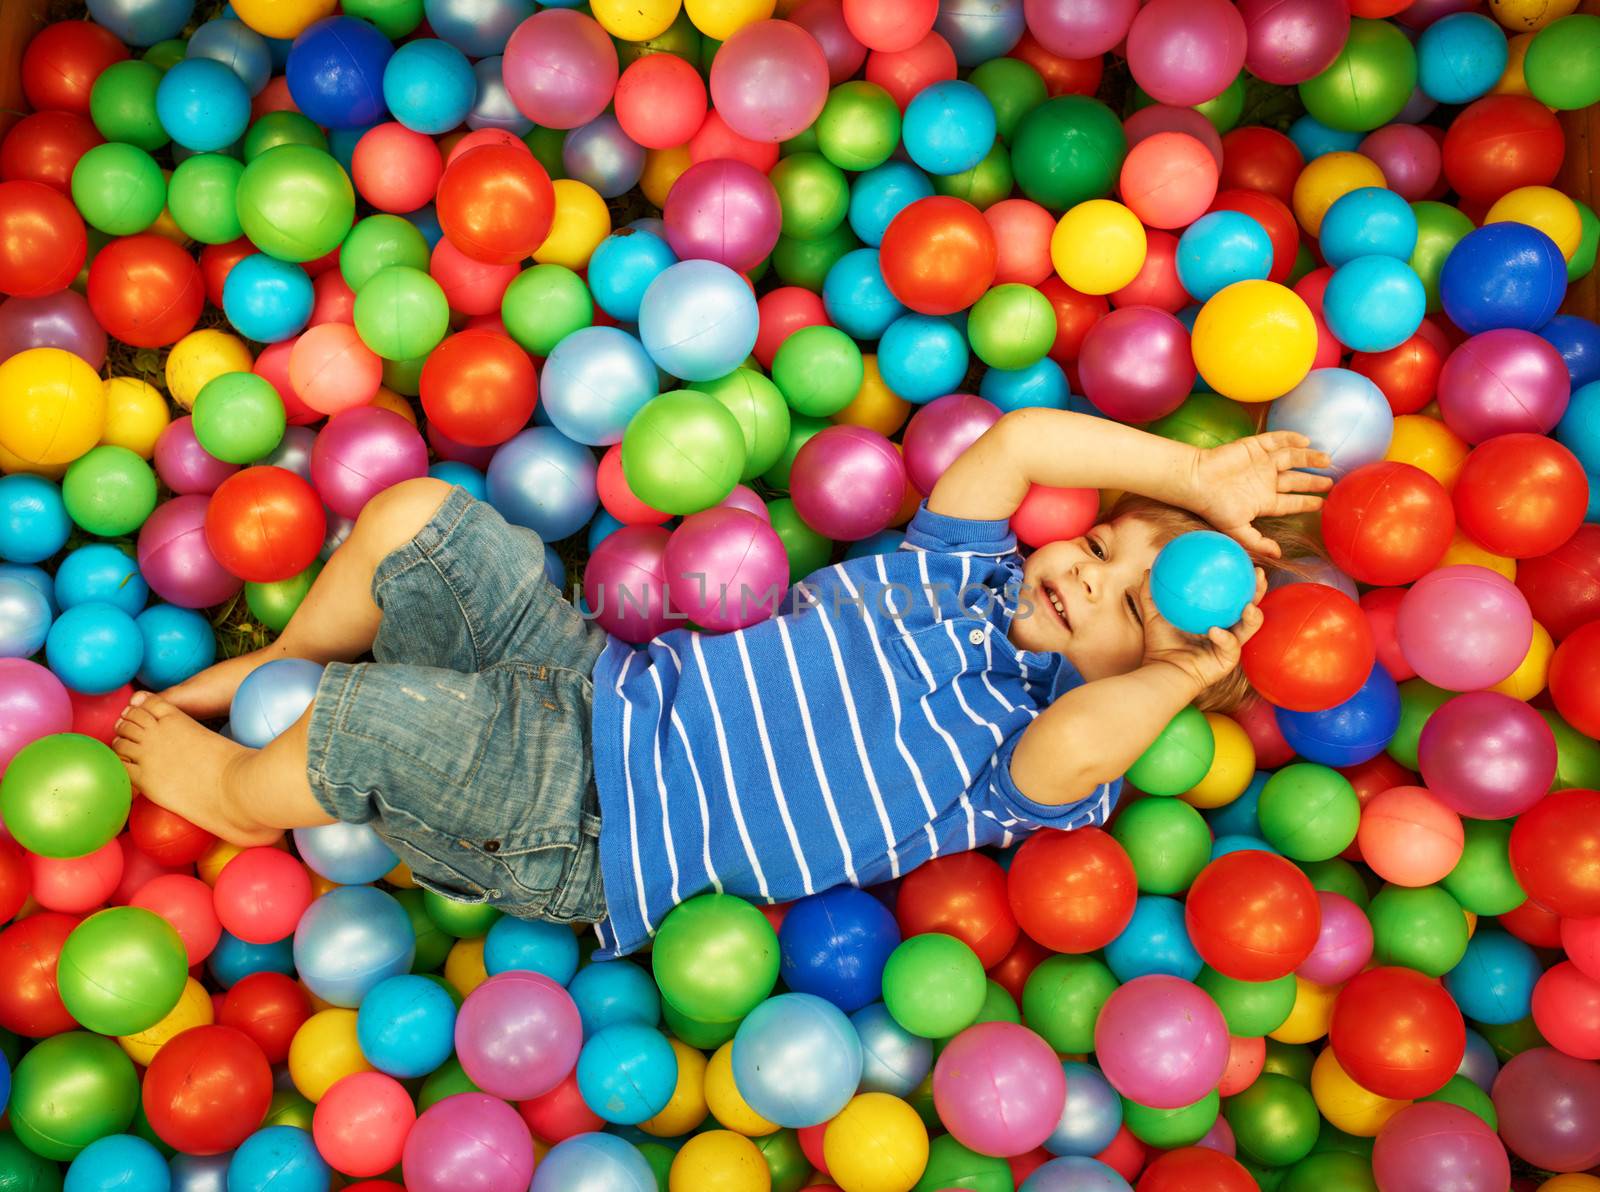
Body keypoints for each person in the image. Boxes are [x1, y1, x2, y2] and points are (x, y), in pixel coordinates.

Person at [112, 410, 1329, 956]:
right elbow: (1014, 449)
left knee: (380, 725)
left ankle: (229, 792)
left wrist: (1176, 674)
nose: (1084, 578)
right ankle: (284, 664)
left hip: (590, 823)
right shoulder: (950, 574)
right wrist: (1196, 476)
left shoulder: (1034, 754)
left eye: (1127, 614)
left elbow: (1086, 744)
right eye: (1105, 547)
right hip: (595, 677)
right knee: (417, 516)